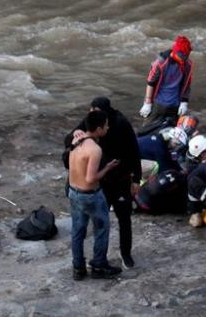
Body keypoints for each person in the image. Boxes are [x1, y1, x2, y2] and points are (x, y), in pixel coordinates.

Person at [67, 109, 122, 280]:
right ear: (98, 129)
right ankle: (98, 266)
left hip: (73, 192)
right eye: (105, 126)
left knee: (77, 231)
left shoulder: (76, 140)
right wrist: (107, 168)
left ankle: (78, 268)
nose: (107, 128)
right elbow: (90, 178)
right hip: (90, 195)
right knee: (102, 228)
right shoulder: (95, 149)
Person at [88, 96, 141, 268]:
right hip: (102, 181)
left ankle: (126, 253)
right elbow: (71, 139)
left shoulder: (121, 123)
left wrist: (136, 179)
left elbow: (134, 151)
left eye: (95, 112)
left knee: (124, 218)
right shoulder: (92, 121)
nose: (92, 115)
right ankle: (99, 257)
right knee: (100, 220)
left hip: (122, 179)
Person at [139, 35, 194, 132]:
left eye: (186, 57)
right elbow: (151, 82)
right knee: (145, 130)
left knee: (172, 132)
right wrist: (147, 102)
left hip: (175, 105)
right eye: (182, 57)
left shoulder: (187, 64)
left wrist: (184, 102)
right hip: (158, 103)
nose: (183, 60)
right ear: (175, 52)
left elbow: (187, 84)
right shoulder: (161, 62)